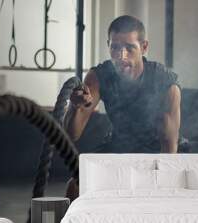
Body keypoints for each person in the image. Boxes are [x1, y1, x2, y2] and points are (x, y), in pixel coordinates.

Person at [64, 15, 182, 154]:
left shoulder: (164, 82)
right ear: (108, 45)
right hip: (119, 147)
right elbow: (71, 135)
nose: (122, 56)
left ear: (144, 47)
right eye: (115, 48)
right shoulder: (99, 76)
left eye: (130, 48)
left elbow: (169, 145)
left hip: (157, 151)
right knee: (79, 176)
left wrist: (157, 173)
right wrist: (75, 106)